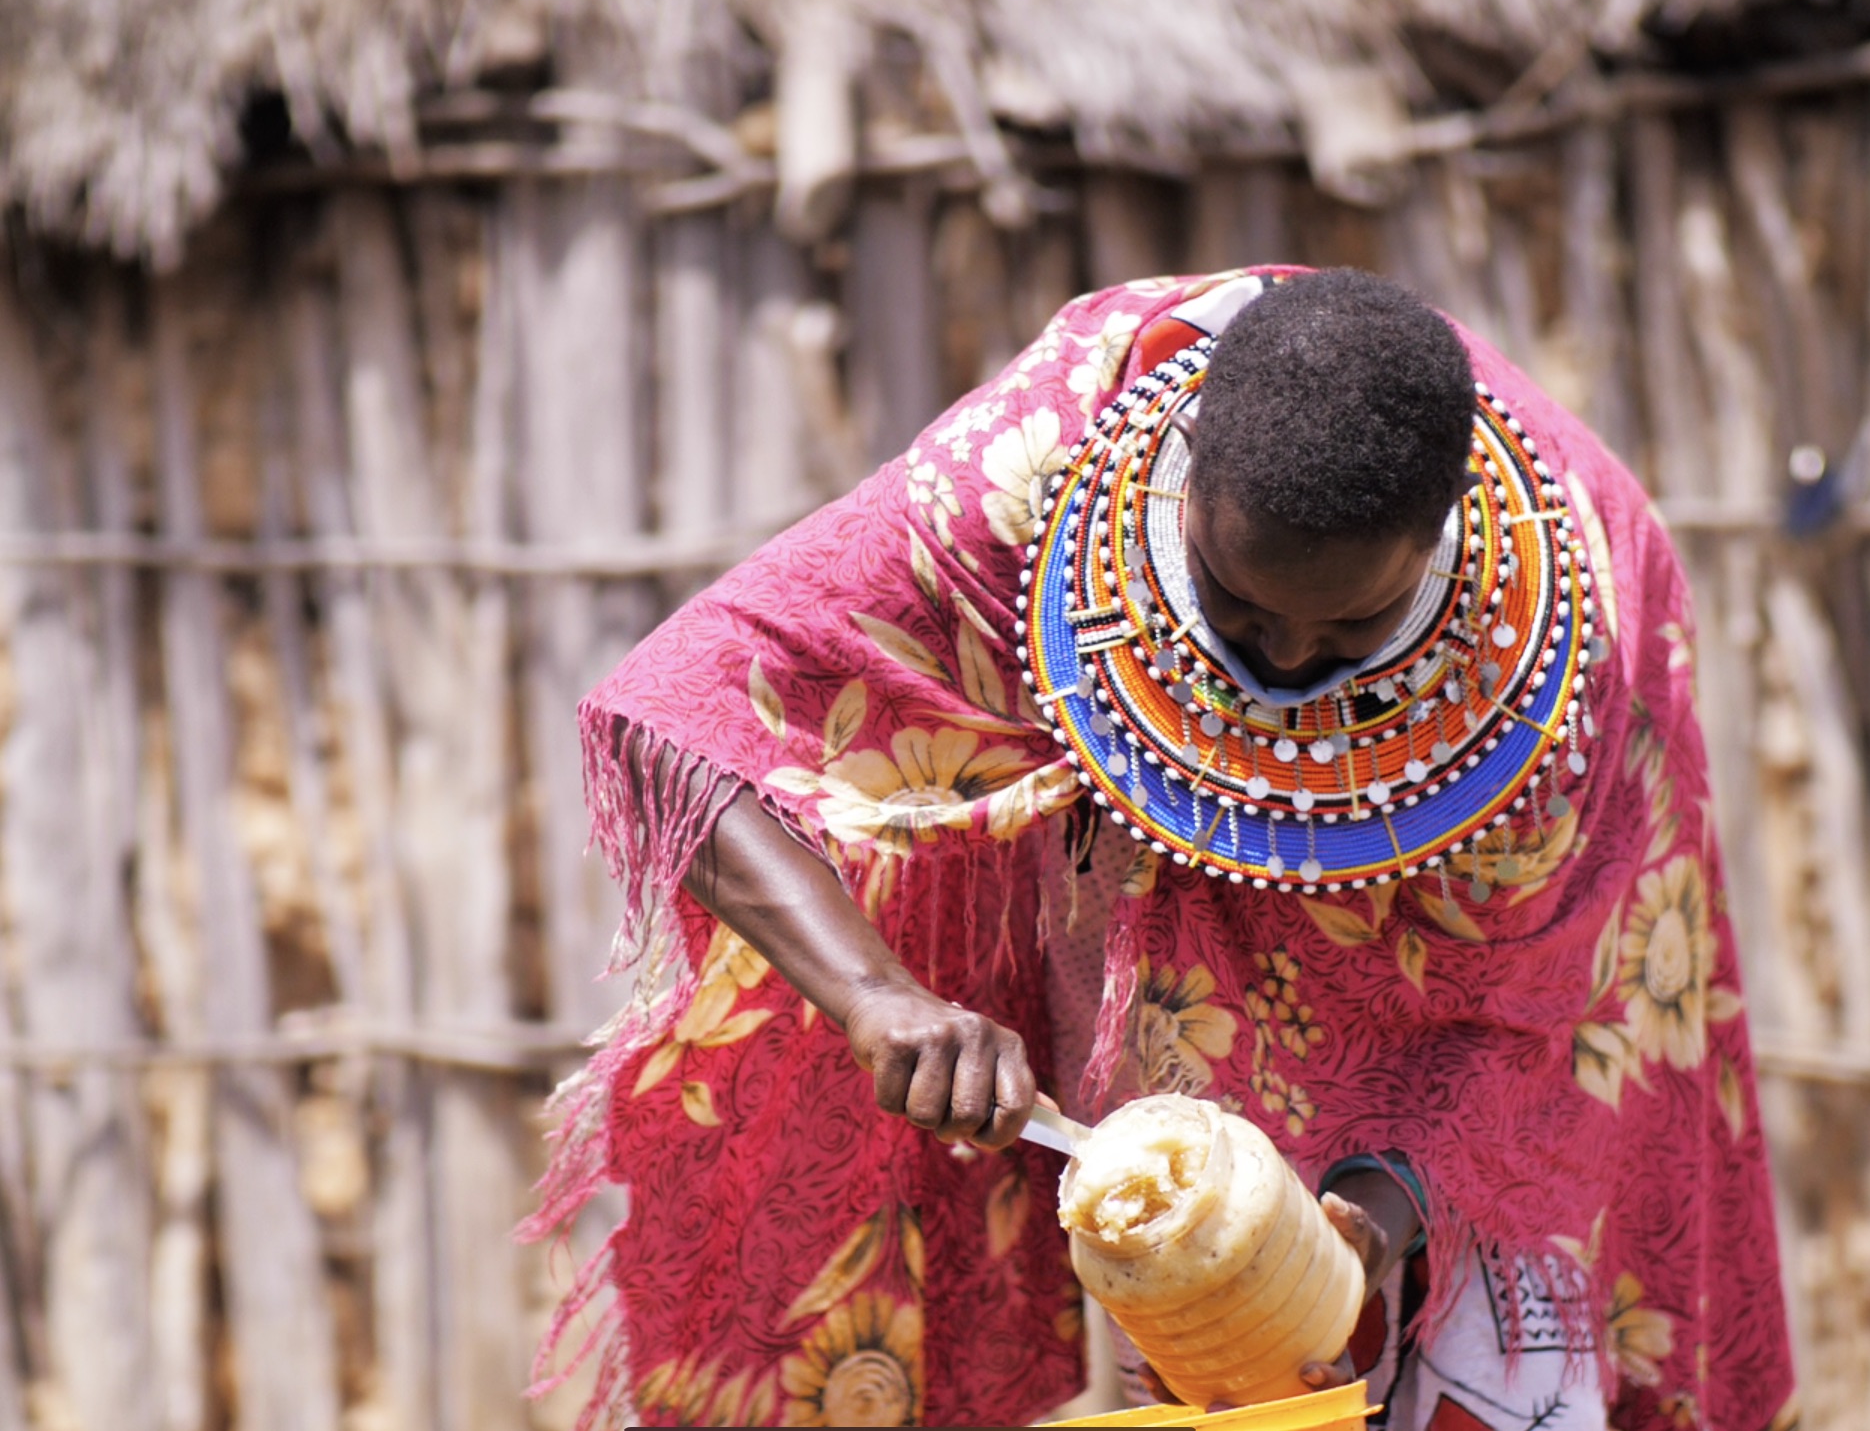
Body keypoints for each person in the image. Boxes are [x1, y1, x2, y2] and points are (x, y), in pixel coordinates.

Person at [524, 267, 1797, 1431]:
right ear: (1185, 475)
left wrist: (1384, 1213)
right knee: (1196, 1347)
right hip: (1150, 979)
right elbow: (669, 712)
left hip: (1453, 1061)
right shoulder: (1040, 469)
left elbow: (1540, 1020)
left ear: (1444, 537)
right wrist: (879, 998)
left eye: (1349, 626)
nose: (1284, 660)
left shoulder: (1582, 635)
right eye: (1237, 603)